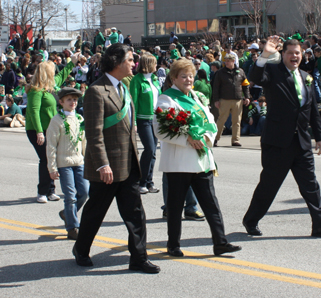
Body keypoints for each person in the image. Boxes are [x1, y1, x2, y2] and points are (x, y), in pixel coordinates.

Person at [73, 43, 160, 273]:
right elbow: (94, 132)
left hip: (128, 164)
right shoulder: (96, 91)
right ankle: (81, 249)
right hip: (108, 167)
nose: (135, 64)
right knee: (95, 213)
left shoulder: (125, 88)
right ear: (116, 62)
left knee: (135, 214)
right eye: (131, 60)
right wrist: (102, 163)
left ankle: (139, 258)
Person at [242, 36, 321, 238]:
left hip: (302, 143)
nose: (294, 56)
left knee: (311, 186)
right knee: (269, 186)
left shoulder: (306, 77)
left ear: (302, 55)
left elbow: (313, 110)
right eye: (290, 53)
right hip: (277, 142)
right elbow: (256, 77)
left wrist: (320, 137)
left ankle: (320, 225)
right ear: (283, 55)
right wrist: (265, 55)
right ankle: (251, 220)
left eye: (298, 53)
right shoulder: (273, 72)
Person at [153, 58, 242, 257]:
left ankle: (220, 242)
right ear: (174, 78)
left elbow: (211, 121)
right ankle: (173, 245)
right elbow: (160, 129)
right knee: (175, 207)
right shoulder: (166, 99)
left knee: (211, 204)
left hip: (201, 160)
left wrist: (205, 138)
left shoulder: (197, 97)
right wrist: (188, 138)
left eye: (191, 76)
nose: (188, 79)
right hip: (179, 163)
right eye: (183, 76)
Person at [26, 52, 79, 203]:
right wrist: (39, 132)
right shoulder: (36, 90)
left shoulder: (50, 86)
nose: (55, 72)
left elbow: (62, 75)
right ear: (46, 73)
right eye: (52, 70)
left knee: (52, 158)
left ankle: (50, 190)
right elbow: (33, 112)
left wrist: (72, 62)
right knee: (45, 159)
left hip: (50, 129)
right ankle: (42, 192)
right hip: (37, 129)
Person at [46, 87, 88, 240]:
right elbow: (51, 145)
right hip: (64, 164)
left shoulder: (80, 119)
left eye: (75, 99)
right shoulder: (56, 120)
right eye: (69, 99)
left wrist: (89, 161)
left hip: (79, 162)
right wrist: (52, 167)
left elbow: (84, 143)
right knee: (70, 196)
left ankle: (67, 214)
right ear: (61, 102)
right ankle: (72, 227)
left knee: (84, 192)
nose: (73, 102)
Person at [129, 53, 161, 194]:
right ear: (148, 64)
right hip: (143, 120)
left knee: (153, 152)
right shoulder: (137, 80)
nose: (156, 65)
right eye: (154, 63)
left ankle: (149, 181)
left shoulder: (154, 79)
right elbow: (133, 102)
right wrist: (134, 121)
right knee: (149, 149)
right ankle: (141, 182)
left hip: (155, 119)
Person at [213, 53, 251, 147]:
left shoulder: (240, 71)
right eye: (225, 60)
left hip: (237, 100)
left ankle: (235, 140)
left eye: (229, 61)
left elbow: (246, 85)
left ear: (233, 61)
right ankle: (215, 139)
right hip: (224, 100)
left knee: (237, 121)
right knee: (221, 120)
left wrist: (247, 97)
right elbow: (216, 87)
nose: (226, 62)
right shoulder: (220, 72)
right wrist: (216, 100)